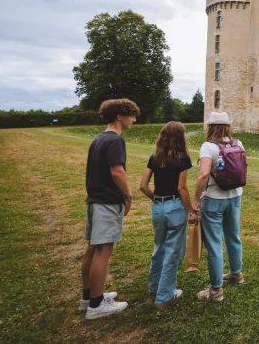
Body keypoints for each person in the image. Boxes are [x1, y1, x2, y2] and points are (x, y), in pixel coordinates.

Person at [80, 99, 139, 319]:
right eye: (131, 115)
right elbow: (117, 172)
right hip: (106, 203)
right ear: (119, 116)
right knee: (103, 251)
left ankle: (88, 297)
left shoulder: (98, 139)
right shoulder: (115, 141)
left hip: (94, 201)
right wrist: (128, 195)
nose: (134, 120)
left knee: (93, 249)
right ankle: (96, 306)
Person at [139, 122, 197, 308]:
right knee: (172, 252)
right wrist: (190, 210)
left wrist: (156, 201)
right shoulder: (182, 158)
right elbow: (182, 188)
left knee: (159, 248)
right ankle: (164, 296)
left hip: (158, 206)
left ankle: (154, 286)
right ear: (181, 137)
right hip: (175, 208)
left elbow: (143, 186)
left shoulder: (154, 157)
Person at [195, 112, 245, 301]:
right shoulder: (238, 144)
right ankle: (236, 273)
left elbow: (203, 175)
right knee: (233, 236)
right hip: (235, 196)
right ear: (227, 127)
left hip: (214, 198)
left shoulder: (208, 147)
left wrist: (196, 199)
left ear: (210, 127)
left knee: (214, 243)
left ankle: (216, 290)